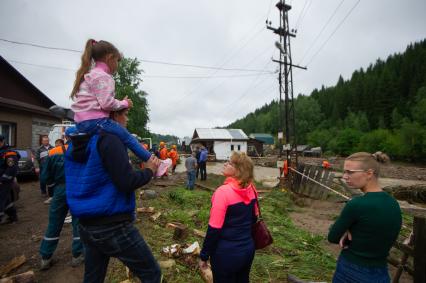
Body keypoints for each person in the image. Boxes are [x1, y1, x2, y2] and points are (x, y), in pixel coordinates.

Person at [65, 107, 162, 283]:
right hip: (113, 226)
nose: (127, 119)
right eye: (124, 114)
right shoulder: (110, 139)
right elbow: (126, 182)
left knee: (93, 278)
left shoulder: (76, 142)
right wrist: (149, 171)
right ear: (114, 116)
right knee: (152, 273)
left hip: (86, 225)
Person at [70, 39, 153, 164]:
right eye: (117, 61)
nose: (118, 65)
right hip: (97, 121)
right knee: (127, 137)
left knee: (71, 132)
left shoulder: (90, 74)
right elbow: (107, 104)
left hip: (81, 122)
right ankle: (152, 160)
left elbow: (99, 100)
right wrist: (124, 103)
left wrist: (119, 102)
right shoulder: (104, 76)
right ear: (110, 58)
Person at [328, 152, 402, 283]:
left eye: (350, 172)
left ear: (369, 173)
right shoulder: (393, 203)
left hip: (351, 271)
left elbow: (333, 237)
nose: (345, 177)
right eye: (344, 172)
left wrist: (346, 229)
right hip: (381, 273)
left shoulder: (356, 204)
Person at [199, 152, 259, 283]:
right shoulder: (252, 189)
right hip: (248, 250)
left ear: (239, 170)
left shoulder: (223, 192)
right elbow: (254, 219)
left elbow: (214, 229)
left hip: (226, 254)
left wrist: (204, 256)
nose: (225, 164)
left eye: (230, 163)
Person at [39, 128, 83, 270]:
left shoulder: (53, 152)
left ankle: (46, 257)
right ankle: (77, 255)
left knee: (54, 222)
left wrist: (54, 186)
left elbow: (45, 177)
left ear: (65, 137)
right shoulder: (83, 151)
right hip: (77, 189)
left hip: (59, 190)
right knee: (78, 222)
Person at [0, 135, 20, 224]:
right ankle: (13, 216)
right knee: (6, 199)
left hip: (5, 181)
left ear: (2, 142)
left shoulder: (9, 153)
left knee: (1, 199)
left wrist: (3, 179)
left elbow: (12, 169)